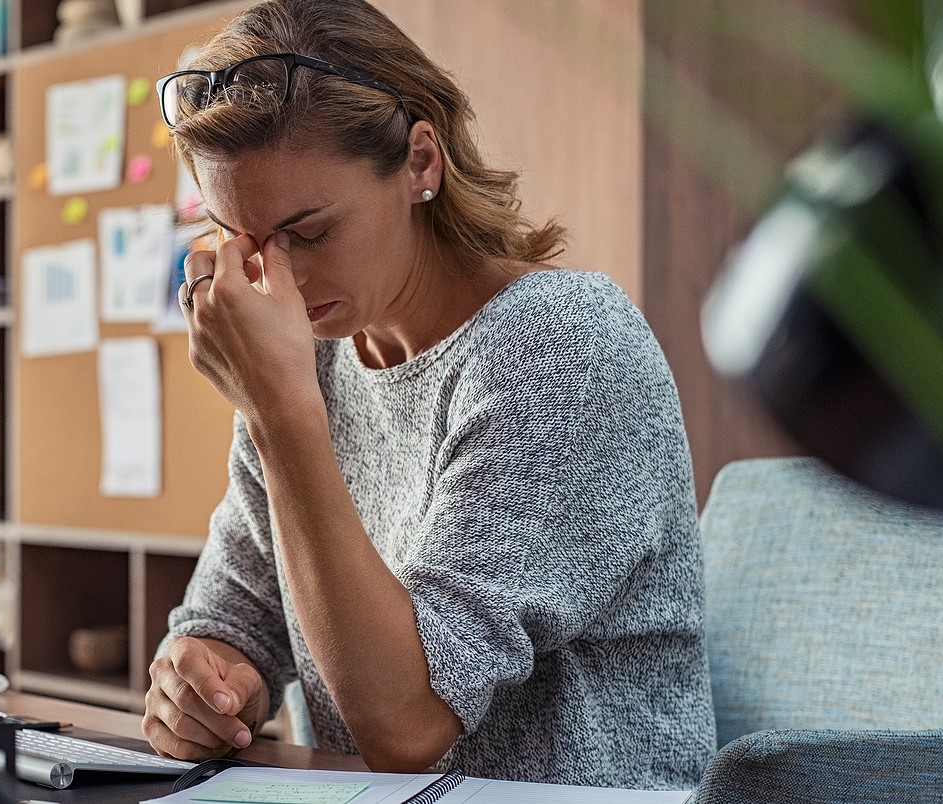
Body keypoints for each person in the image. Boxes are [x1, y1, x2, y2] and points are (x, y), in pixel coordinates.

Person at [143, 0, 715, 789]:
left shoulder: (561, 348)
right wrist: (203, 682)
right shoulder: (312, 359)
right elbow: (237, 615)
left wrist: (280, 412)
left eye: (308, 233)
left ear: (421, 163)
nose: (276, 281)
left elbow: (407, 723)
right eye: (241, 239)